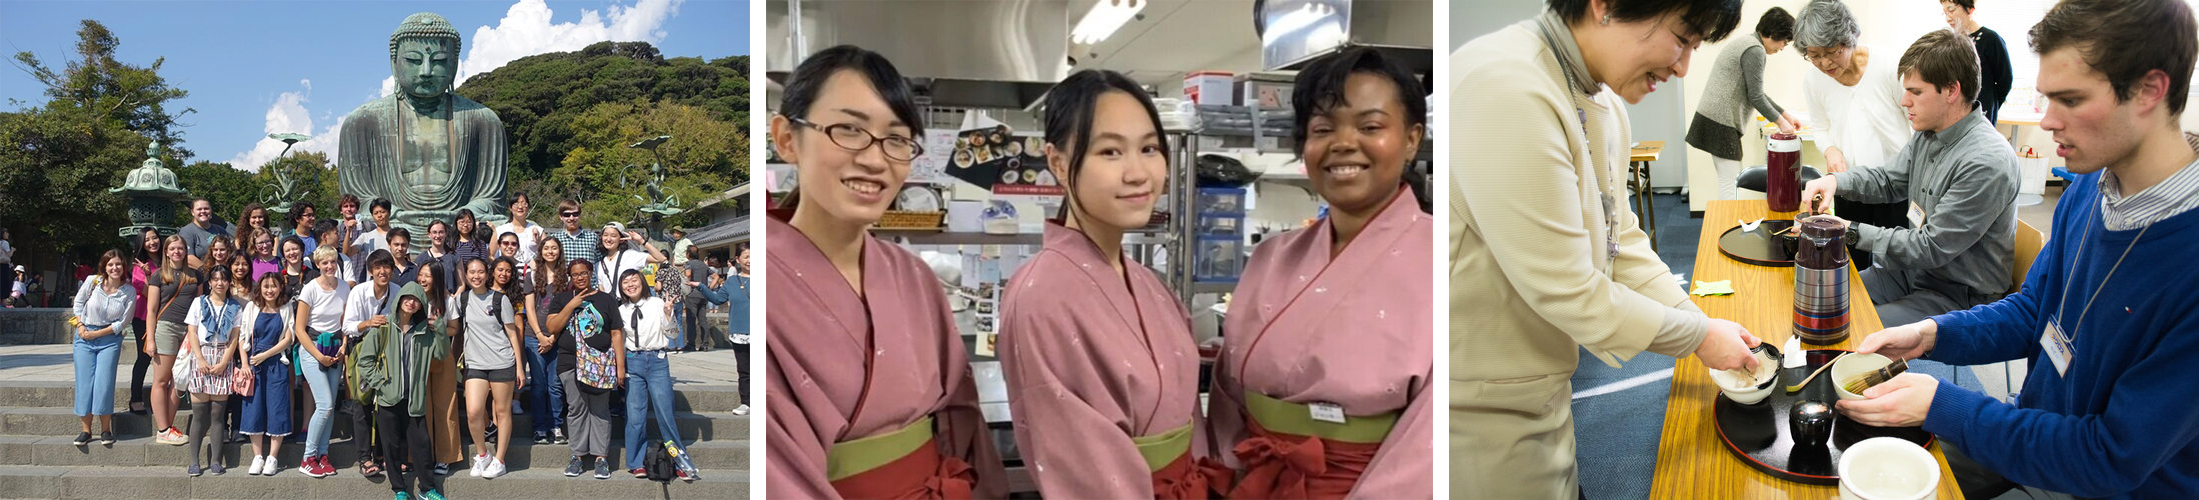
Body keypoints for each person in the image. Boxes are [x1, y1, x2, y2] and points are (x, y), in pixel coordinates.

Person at [1839, 1, 2199, 498]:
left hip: (2094, 481)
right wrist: (1930, 334)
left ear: (2150, 91)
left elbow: (2111, 457)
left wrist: (1945, 404)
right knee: (1863, 455)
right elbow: (2034, 312)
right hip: (2034, 430)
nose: (2046, 121)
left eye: (2069, 100)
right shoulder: (2091, 186)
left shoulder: (2187, 260)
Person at [1451, 0, 1761, 496]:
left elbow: (1622, 239)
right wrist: (1699, 336)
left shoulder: (1602, 98)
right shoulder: (1506, 86)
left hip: (1543, 385)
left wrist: (1695, 316)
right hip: (1479, 405)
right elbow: (1570, 291)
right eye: (1682, 40)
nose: (1682, 68)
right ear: (1607, 6)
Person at [764, 45, 1006, 499]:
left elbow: (959, 420)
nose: (876, 160)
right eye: (849, 130)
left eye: (896, 139)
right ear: (787, 139)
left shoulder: (915, 275)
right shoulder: (767, 285)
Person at [1194, 48, 1434, 498]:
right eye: (1323, 129)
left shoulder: (1449, 259)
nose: (1343, 143)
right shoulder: (1271, 257)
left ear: (1411, 138)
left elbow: (1436, 433)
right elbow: (1228, 397)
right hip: (1259, 481)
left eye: (1370, 126)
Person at [992, 69, 1213, 498]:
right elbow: (1085, 474)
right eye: (1110, 152)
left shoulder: (1150, 285)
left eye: (1149, 148)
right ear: (1057, 163)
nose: (1138, 173)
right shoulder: (1041, 296)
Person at [1798, 29, 2021, 327]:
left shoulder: (1987, 161)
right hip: (1912, 272)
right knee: (1820, 300)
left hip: (1957, 293)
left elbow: (1930, 247)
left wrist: (1848, 230)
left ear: (1952, 91)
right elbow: (1889, 181)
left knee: (1851, 327)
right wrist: (1835, 182)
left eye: (1915, 92)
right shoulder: (1929, 134)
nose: (1904, 101)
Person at [1795, 0, 1914, 269]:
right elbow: (1820, 126)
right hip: (1849, 184)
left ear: (1849, 39)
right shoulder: (1813, 80)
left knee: (1894, 259)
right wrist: (1830, 150)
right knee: (1852, 257)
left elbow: (1914, 119)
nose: (1824, 62)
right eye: (1813, 55)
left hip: (1895, 183)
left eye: (1831, 51)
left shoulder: (1888, 66)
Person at [1687, 7, 1801, 201]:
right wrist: (1781, 123)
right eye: (1784, 41)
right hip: (1720, 120)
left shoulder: (1748, 43)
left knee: (1729, 178)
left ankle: (1727, 225)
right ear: (1773, 33)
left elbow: (1755, 92)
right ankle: (1728, 227)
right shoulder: (1754, 50)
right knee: (1730, 180)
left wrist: (1785, 115)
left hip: (1714, 117)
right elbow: (1755, 96)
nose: (1782, 47)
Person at [356, 282, 450, 500]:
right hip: (388, 400)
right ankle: (399, 489)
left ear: (421, 305)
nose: (411, 302)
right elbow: (365, 361)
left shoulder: (425, 332)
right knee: (391, 447)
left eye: (416, 300)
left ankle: (427, 489)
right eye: (407, 298)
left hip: (414, 399)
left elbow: (441, 354)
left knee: (422, 446)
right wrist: (381, 384)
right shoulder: (384, 327)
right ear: (398, 301)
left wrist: (441, 331)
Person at [615, 268, 693, 481]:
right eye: (625, 282)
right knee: (635, 414)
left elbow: (673, 334)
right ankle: (635, 462)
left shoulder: (658, 303)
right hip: (633, 362)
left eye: (634, 280)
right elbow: (619, 341)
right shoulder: (621, 310)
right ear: (621, 287)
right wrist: (619, 367)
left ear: (642, 281)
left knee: (665, 411)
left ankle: (679, 460)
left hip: (657, 361)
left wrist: (668, 315)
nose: (630, 284)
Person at [550, 258, 623, 479]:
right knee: (577, 408)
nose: (580, 277)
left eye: (584, 273)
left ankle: (601, 458)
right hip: (570, 362)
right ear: (570, 276)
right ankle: (577, 456)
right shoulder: (562, 298)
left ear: (591, 273)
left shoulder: (606, 300)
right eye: (575, 274)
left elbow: (616, 333)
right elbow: (552, 326)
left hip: (601, 363)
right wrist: (571, 306)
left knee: (600, 409)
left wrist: (620, 367)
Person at [453, 256, 524, 478]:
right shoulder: (462, 300)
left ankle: (500, 459)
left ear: (488, 273)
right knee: (474, 411)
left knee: (502, 412)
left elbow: (512, 333)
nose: (476, 276)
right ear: (466, 274)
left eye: (480, 272)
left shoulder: (499, 299)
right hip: (475, 363)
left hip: (502, 361)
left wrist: (520, 367)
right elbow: (454, 329)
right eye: (471, 272)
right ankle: (483, 454)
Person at [292, 246, 350, 478]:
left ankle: (322, 455)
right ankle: (308, 457)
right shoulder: (310, 289)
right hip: (313, 348)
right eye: (324, 263)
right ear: (317, 265)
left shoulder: (345, 287)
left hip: (335, 348)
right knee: (324, 404)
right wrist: (318, 355)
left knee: (330, 406)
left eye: (332, 262)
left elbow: (346, 320)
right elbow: (299, 329)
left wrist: (344, 345)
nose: (329, 266)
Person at [181, 266, 242, 476]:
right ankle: (194, 461)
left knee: (218, 414)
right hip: (202, 356)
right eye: (215, 279)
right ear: (209, 282)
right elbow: (192, 330)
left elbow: (235, 337)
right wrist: (199, 358)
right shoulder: (199, 302)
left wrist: (225, 362)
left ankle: (216, 460)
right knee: (199, 414)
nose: (219, 283)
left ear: (229, 283)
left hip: (222, 357)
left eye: (224, 279)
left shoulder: (235, 306)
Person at [343, 250, 400, 477]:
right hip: (362, 353)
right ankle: (364, 457)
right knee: (363, 403)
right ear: (370, 271)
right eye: (377, 267)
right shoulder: (359, 291)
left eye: (386, 267)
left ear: (392, 270)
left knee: (388, 404)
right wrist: (368, 323)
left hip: (388, 353)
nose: (382, 271)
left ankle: (383, 455)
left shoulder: (397, 292)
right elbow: (347, 327)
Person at [72, 249, 135, 446]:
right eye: (110, 264)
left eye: (118, 264)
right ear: (104, 267)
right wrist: (81, 326)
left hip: (109, 339)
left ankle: (106, 429)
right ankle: (85, 430)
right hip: (84, 336)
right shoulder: (92, 282)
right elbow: (78, 304)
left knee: (104, 383)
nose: (114, 268)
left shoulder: (129, 291)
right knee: (85, 383)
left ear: (124, 267)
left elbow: (122, 322)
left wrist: (97, 334)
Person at [237, 271, 296, 476]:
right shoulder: (252, 308)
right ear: (260, 289)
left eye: (273, 286)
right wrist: (245, 365)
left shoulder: (286, 308)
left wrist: (265, 355)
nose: (269, 290)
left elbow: (288, 338)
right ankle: (257, 456)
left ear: (280, 288)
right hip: (254, 364)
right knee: (254, 407)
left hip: (277, 362)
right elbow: (242, 336)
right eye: (266, 286)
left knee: (277, 407)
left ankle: (272, 457)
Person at [144, 235, 200, 445]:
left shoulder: (195, 275)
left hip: (188, 331)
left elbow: (199, 306)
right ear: (166, 252)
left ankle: (169, 426)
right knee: (161, 380)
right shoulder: (159, 276)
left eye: (181, 248)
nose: (177, 252)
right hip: (166, 327)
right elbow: (151, 310)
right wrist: (150, 338)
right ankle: (163, 428)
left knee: (180, 379)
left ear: (185, 251)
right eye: (173, 248)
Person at [412, 258, 465, 476]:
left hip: (442, 357)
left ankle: (445, 457)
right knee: (421, 409)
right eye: (421, 275)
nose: (423, 279)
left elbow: (455, 328)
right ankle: (420, 455)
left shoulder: (447, 300)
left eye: (428, 275)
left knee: (446, 408)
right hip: (417, 359)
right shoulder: (411, 298)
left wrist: (440, 328)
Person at [525, 237, 571, 444]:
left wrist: (553, 336)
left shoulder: (567, 278)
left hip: (558, 337)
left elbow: (567, 310)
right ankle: (540, 428)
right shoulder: (533, 275)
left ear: (559, 251)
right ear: (540, 251)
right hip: (534, 337)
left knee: (555, 384)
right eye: (546, 248)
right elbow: (529, 308)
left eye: (554, 248)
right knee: (538, 384)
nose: (550, 252)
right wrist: (540, 335)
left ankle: (556, 425)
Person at [695, 245, 750, 415]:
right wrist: (701, 286)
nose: (750, 260)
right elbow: (718, 299)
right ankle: (747, 402)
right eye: (746, 256)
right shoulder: (733, 281)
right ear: (738, 259)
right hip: (740, 332)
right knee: (744, 369)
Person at [1942, 0, 2014, 124]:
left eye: (1951, 10)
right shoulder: (1951, 42)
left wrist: (1991, 105)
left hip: (1981, 114)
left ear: (1970, 9)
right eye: (1944, 13)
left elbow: (2005, 81)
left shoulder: (1991, 39)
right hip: (1955, 114)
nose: (1948, 18)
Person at [128, 228, 161, 416]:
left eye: (154, 237)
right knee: (144, 357)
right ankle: (135, 398)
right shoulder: (139, 265)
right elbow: (146, 291)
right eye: (147, 239)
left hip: (166, 316)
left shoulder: (168, 261)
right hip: (143, 316)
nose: (152, 242)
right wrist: (148, 275)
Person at [595, 222, 665, 290]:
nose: (608, 239)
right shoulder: (599, 263)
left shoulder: (630, 256)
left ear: (621, 239)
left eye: (613, 236)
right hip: (609, 301)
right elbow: (602, 289)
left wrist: (641, 241)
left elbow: (660, 259)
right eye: (605, 235)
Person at [548, 200, 599, 285]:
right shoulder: (554, 239)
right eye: (567, 215)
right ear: (561, 217)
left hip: (590, 287)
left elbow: (604, 260)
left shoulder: (593, 237)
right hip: (563, 287)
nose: (571, 218)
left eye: (575, 214)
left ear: (580, 215)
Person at [177, 199, 231, 268]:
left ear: (211, 211)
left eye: (206, 208)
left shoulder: (220, 230)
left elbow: (230, 253)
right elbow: (189, 258)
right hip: (198, 275)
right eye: (199, 209)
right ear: (192, 212)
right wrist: (208, 272)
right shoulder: (187, 231)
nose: (203, 211)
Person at [493, 194, 545, 265]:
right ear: (510, 208)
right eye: (516, 204)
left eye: (524, 203)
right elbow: (490, 255)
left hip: (531, 272)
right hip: (507, 273)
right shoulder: (500, 230)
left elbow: (546, 250)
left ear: (528, 207)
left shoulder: (538, 230)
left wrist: (538, 241)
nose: (520, 207)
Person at [678, 245, 712, 352]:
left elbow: (688, 275)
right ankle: (705, 344)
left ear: (688, 254)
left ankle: (691, 344)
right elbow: (716, 277)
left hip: (693, 294)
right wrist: (708, 288)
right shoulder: (704, 265)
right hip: (704, 295)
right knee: (703, 320)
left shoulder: (689, 264)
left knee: (691, 320)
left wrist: (686, 282)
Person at [419, 220, 459, 294]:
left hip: (449, 300)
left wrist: (453, 298)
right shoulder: (421, 259)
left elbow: (461, 284)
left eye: (441, 232)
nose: (438, 236)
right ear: (429, 234)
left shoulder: (454, 257)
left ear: (446, 234)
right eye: (434, 232)